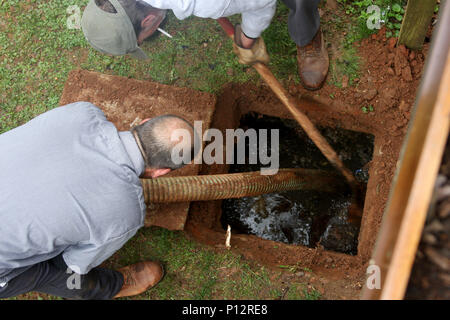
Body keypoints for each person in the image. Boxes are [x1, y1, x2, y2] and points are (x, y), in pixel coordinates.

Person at [0, 101, 199, 300]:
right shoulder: (126, 214)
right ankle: (113, 286)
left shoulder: (83, 112)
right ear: (160, 172)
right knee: (69, 278)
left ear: (145, 122)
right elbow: (72, 265)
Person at [81, 0, 329, 90]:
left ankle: (307, 36)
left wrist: (248, 37)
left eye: (145, 36)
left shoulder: (207, 3)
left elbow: (263, 3)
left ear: (148, 20)